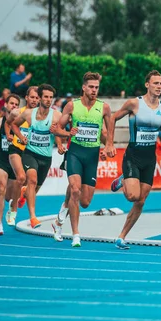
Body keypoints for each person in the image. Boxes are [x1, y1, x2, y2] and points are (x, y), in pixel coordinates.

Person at [107, 70, 161, 250]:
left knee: (141, 201)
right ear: (147, 85)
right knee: (133, 196)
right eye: (155, 83)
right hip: (133, 155)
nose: (159, 87)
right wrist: (109, 143)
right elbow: (113, 118)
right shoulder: (134, 103)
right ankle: (123, 179)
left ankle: (122, 237)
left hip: (150, 158)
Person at [52, 72, 112, 247]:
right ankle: (75, 234)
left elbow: (105, 135)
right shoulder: (72, 106)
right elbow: (57, 129)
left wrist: (107, 146)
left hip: (92, 156)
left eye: (96, 87)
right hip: (75, 153)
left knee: (85, 202)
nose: (94, 90)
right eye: (91, 87)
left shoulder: (104, 108)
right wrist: (67, 133)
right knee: (75, 190)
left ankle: (59, 218)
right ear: (84, 87)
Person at [11, 84, 69, 229]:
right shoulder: (28, 114)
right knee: (32, 179)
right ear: (40, 98)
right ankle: (33, 218)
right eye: (46, 97)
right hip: (30, 153)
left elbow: (60, 131)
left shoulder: (56, 115)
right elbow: (14, 125)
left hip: (46, 157)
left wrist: (61, 143)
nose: (49, 100)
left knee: (34, 189)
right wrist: (20, 137)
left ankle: (24, 193)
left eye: (51, 97)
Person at [5, 86, 39, 225]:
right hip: (16, 149)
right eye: (32, 97)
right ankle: (13, 211)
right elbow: (8, 124)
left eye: (37, 98)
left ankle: (22, 194)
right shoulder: (17, 112)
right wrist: (9, 135)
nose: (34, 100)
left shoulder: (40, 115)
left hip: (30, 151)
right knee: (21, 177)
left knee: (32, 184)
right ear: (26, 97)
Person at [0, 94, 20, 235]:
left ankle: (12, 205)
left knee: (10, 196)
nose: (14, 106)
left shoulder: (22, 122)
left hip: (15, 161)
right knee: (1, 188)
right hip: (2, 160)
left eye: (16, 104)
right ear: (6, 105)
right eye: (11, 103)